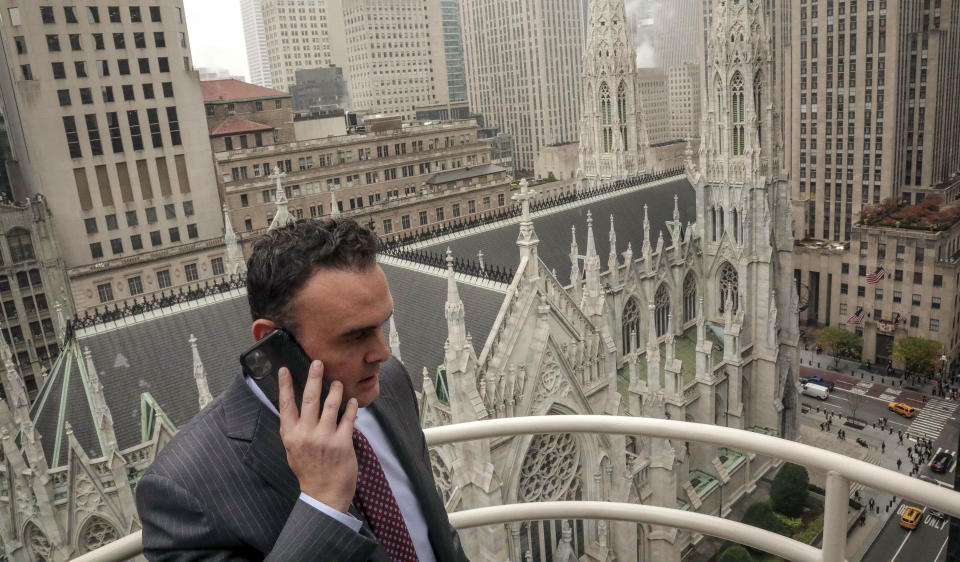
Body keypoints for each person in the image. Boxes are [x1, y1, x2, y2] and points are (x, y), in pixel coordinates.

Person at [136, 219, 469, 561]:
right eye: (355, 336)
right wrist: (322, 505)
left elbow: (435, 534)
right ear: (270, 339)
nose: (382, 353)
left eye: (382, 325)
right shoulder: (183, 491)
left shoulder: (390, 382)